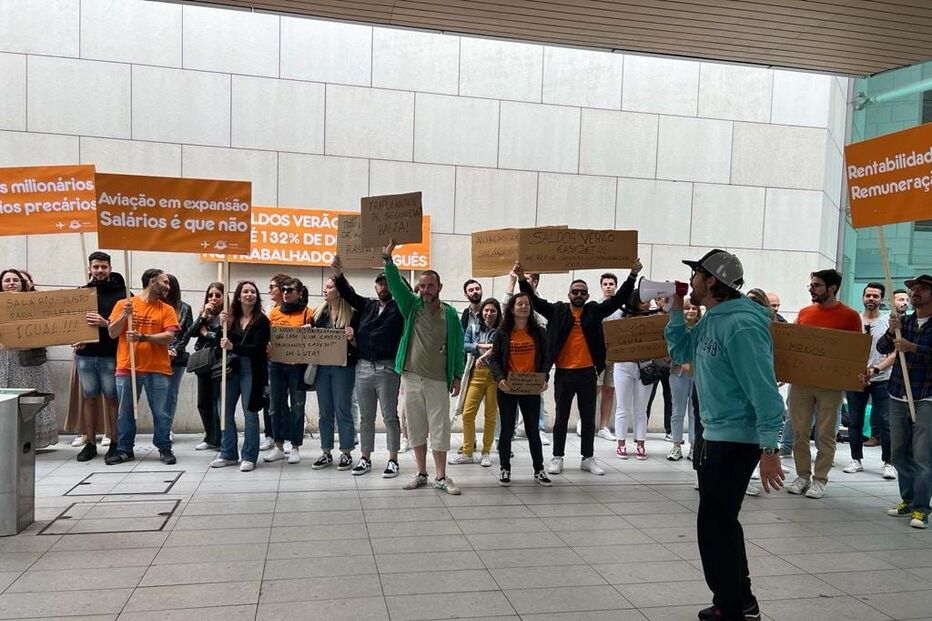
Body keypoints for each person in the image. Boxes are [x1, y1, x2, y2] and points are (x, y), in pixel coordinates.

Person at [665, 249, 785, 621]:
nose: (694, 281)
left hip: (736, 439)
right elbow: (680, 349)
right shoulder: (712, 318)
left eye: (697, 275)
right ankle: (735, 599)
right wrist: (675, 309)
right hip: (714, 433)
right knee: (716, 524)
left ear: (712, 280)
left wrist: (770, 447)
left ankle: (735, 606)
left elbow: (763, 388)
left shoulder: (742, 324)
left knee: (716, 525)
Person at [516, 258, 641, 476]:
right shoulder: (558, 311)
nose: (579, 295)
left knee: (587, 416)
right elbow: (534, 301)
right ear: (569, 294)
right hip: (564, 373)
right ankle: (557, 457)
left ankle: (588, 458)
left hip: (587, 373)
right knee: (561, 418)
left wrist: (632, 276)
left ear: (588, 296)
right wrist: (520, 279)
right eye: (575, 292)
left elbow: (618, 299)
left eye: (583, 292)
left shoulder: (593, 311)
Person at [383, 239, 464, 495]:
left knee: (440, 428)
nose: (426, 290)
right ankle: (421, 473)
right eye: (422, 285)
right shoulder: (411, 307)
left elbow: (458, 348)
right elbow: (395, 286)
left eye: (431, 286)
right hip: (412, 377)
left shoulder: (451, 315)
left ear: (440, 287)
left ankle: (441, 477)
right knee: (416, 426)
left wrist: (458, 376)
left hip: (438, 380)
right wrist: (388, 259)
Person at [786, 269, 862, 499]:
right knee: (799, 431)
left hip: (831, 384)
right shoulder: (804, 312)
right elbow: (793, 344)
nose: (812, 289)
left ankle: (820, 480)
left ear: (832, 288)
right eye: (811, 285)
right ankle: (802, 475)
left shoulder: (850, 316)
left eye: (817, 285)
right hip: (801, 382)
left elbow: (854, 352)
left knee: (826, 434)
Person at [331, 259, 405, 478]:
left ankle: (393, 459)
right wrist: (338, 274)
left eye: (388, 283)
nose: (384, 287)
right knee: (366, 417)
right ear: (375, 287)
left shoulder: (400, 308)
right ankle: (365, 457)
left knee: (390, 416)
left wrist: (390, 266)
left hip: (387, 368)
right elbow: (348, 293)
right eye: (381, 284)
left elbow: (406, 292)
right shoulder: (368, 305)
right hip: (363, 367)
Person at [105, 269, 180, 465]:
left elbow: (169, 337)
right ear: (152, 281)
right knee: (125, 412)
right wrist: (123, 315)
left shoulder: (167, 309)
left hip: (158, 368)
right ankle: (125, 449)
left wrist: (143, 337)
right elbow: (112, 333)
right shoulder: (124, 304)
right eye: (165, 282)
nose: (168, 287)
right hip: (127, 367)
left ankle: (164, 447)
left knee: (161, 412)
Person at [879, 274, 932, 529]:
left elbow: (918, 351)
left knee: (923, 455)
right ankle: (908, 500)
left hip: (927, 396)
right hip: (898, 393)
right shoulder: (904, 322)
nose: (915, 293)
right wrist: (891, 331)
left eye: (922, 289)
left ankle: (922, 508)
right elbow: (881, 347)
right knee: (898, 453)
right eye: (914, 290)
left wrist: (914, 348)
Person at [488, 291, 552, 486]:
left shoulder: (539, 332)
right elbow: (494, 359)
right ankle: (505, 468)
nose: (523, 307)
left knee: (533, 429)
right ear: (512, 309)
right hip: (508, 387)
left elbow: (546, 358)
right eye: (519, 304)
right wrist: (500, 379)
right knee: (507, 429)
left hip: (530, 388)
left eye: (526, 304)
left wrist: (544, 378)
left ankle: (539, 469)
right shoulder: (502, 332)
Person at [212, 281, 271, 472]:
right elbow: (218, 342)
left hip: (252, 370)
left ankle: (249, 455)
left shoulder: (261, 320)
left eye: (253, 291)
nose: (249, 294)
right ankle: (228, 453)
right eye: (245, 291)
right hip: (230, 369)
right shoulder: (230, 318)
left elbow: (258, 349)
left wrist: (233, 347)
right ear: (238, 296)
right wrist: (221, 324)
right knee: (225, 412)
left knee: (250, 412)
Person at [72, 252, 124, 461]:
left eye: (103, 266)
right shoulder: (81, 293)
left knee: (112, 399)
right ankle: (90, 443)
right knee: (89, 398)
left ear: (110, 268)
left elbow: (125, 324)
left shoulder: (122, 294)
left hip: (110, 354)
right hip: (85, 354)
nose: (100, 270)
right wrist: (75, 337)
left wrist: (105, 322)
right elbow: (71, 323)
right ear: (90, 269)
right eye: (96, 267)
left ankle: (114, 441)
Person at [0, 268, 59, 449]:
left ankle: (29, 440)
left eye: (15, 280)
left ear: (22, 283)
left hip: (28, 361)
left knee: (28, 399)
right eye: (7, 280)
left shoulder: (35, 304)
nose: (11, 283)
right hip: (3, 359)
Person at [843, 282, 896, 480]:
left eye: (875, 296)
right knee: (854, 421)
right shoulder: (854, 320)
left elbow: (894, 354)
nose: (871, 299)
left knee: (885, 421)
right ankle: (856, 459)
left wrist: (875, 369)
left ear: (881, 299)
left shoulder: (888, 322)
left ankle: (888, 462)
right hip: (857, 379)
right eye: (868, 295)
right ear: (863, 297)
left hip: (883, 378)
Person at [310, 276, 358, 471]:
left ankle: (346, 451)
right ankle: (326, 451)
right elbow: (312, 340)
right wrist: (307, 332)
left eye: (329, 287)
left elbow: (358, 345)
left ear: (339, 291)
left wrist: (353, 337)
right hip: (322, 367)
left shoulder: (353, 314)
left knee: (343, 409)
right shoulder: (318, 313)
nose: (325, 290)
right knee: (325, 411)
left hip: (343, 367)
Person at [265, 277, 314, 464]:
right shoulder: (273, 313)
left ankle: (295, 447)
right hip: (276, 365)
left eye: (290, 290)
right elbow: (265, 335)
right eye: (283, 289)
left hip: (297, 367)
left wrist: (310, 332)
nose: (285, 292)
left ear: (299, 293)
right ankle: (278, 445)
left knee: (297, 407)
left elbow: (315, 343)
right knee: (275, 406)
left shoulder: (308, 313)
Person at [450, 298, 501, 467]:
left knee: (491, 416)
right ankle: (467, 452)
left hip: (494, 376)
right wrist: (482, 346)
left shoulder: (502, 330)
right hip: (475, 374)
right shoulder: (472, 328)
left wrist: (485, 350)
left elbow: (500, 348)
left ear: (498, 313)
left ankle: (486, 452)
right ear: (481, 312)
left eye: (493, 310)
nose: (489, 313)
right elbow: (464, 346)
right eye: (486, 310)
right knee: (468, 414)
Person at [613, 290, 654, 461]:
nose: (647, 304)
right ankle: (620, 443)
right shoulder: (622, 319)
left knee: (641, 409)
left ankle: (640, 443)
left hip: (646, 366)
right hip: (624, 365)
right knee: (623, 407)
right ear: (635, 302)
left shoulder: (653, 320)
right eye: (644, 301)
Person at [188, 282, 225, 451]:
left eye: (217, 295)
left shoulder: (226, 315)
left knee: (217, 402)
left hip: (218, 362)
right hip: (203, 362)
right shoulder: (205, 314)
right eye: (210, 295)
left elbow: (219, 337)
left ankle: (218, 438)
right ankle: (209, 436)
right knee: (203, 402)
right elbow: (189, 332)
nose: (214, 298)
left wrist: (205, 333)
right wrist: (203, 316)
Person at [667, 300, 701, 461]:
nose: (691, 311)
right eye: (687, 308)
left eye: (694, 308)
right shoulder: (676, 327)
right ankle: (676, 446)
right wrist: (682, 362)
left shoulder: (702, 328)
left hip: (698, 373)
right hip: (678, 372)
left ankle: (694, 446)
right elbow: (671, 348)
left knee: (695, 411)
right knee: (677, 410)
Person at [260, 274, 289, 450]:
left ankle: (285, 436)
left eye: (273, 287)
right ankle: (270, 435)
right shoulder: (269, 309)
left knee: (282, 401)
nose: (269, 290)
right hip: (268, 360)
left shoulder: (290, 310)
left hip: (285, 361)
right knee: (268, 399)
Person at [162, 274, 193, 426]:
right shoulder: (156, 305)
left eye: (168, 285)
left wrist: (175, 349)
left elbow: (188, 332)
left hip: (177, 357)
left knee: (171, 393)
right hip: (157, 355)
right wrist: (164, 349)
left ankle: (167, 427)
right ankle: (160, 426)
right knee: (158, 394)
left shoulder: (185, 308)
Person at [596, 273, 618, 441]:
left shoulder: (621, 307)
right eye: (606, 284)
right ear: (602, 286)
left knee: (609, 390)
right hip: (598, 353)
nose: (609, 286)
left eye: (611, 283)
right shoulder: (595, 305)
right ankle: (585, 421)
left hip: (615, 354)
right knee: (594, 389)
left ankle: (604, 426)